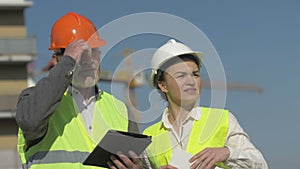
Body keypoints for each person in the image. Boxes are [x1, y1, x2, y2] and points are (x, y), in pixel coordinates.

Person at [15, 12, 147, 169]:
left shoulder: (120, 109)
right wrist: (69, 62)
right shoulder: (35, 99)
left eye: (94, 52)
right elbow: (30, 121)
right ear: (58, 60)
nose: (89, 61)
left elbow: (140, 161)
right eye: (82, 55)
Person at [143, 39, 268, 169]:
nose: (191, 81)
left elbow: (260, 165)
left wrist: (226, 152)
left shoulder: (222, 119)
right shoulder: (150, 136)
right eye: (181, 76)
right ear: (163, 86)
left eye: (195, 74)